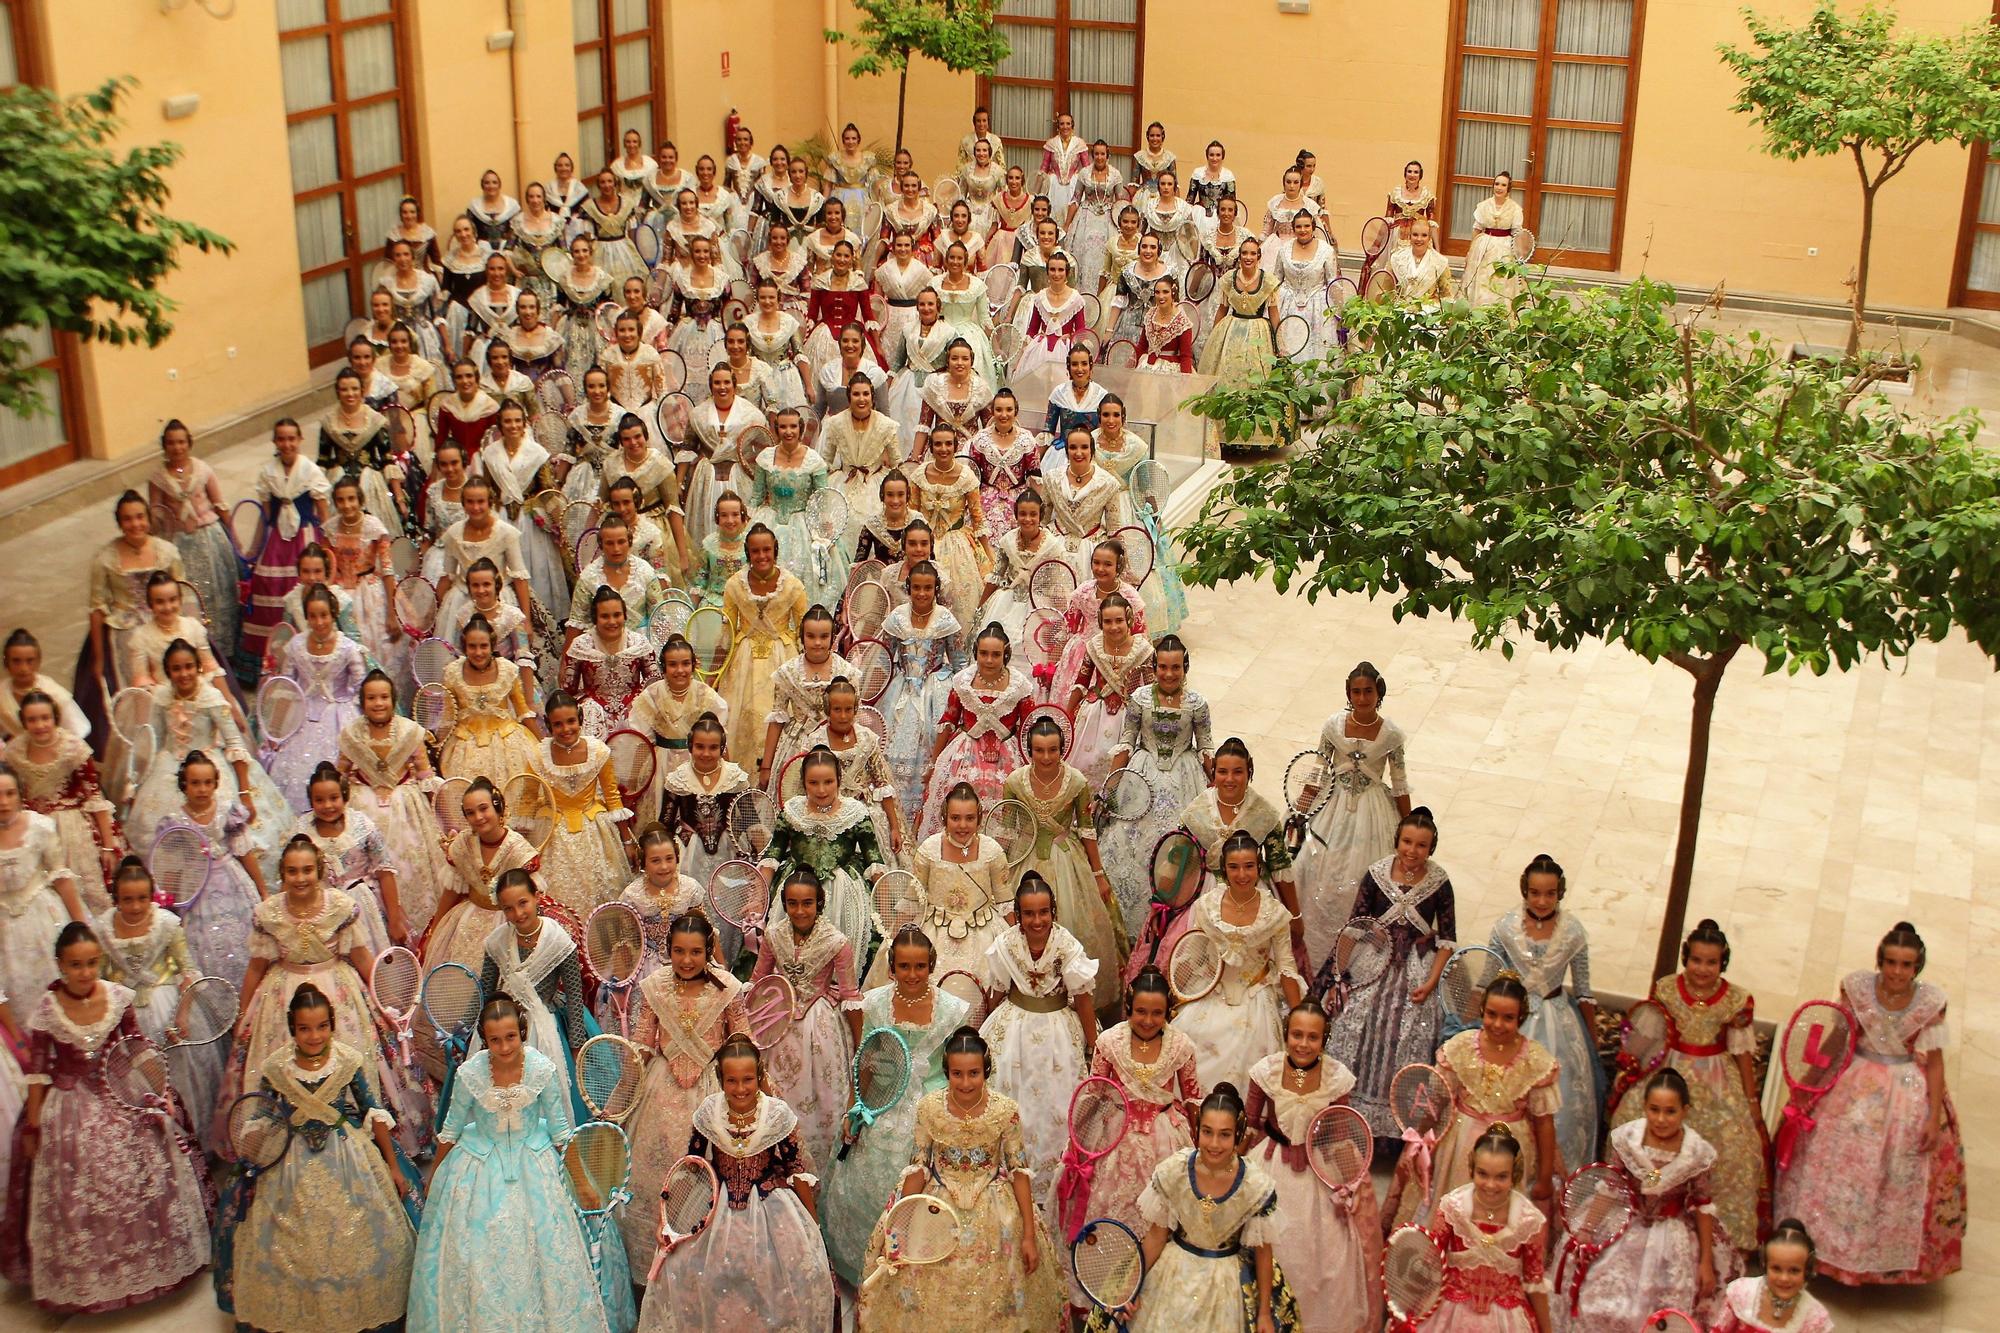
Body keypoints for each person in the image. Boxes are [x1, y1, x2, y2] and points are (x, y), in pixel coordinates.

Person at [1, 922, 210, 1313]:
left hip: (119, 1094)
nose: (84, 972)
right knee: (83, 1181)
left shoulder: (117, 997)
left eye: (92, 963)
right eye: (76, 965)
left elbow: (136, 1049)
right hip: (70, 1107)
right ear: (60, 965)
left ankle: (152, 1262)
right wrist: (33, 1125)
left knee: (141, 1169)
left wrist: (162, 1092)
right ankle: (94, 1276)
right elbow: (39, 1072)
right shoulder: (47, 1012)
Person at [214, 983, 418, 1333]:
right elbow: (263, 1114)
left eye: (322, 1026)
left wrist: (393, 1166)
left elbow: (373, 1110)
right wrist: (251, 1155)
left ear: (332, 1024)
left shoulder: (348, 1061)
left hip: (346, 1152)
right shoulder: (276, 1067)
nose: (314, 1035)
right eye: (305, 1028)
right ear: (293, 1027)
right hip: (288, 1158)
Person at [1773, 920, 1963, 1285]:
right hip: (1852, 1082)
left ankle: (1878, 1262)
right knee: (1832, 1166)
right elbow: (1835, 1040)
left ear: (1917, 966)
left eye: (1906, 965)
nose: (1897, 972)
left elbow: (1936, 1062)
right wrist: (1810, 1086)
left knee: (1889, 1174)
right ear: (1880, 960)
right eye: (1891, 962)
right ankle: (1821, 1252)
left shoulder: (1930, 1004)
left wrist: (1933, 1114)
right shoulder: (1857, 989)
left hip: (1904, 1089)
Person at [408, 997, 614, 1333]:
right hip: (480, 1168)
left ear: (523, 1034)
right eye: (495, 1040)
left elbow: (561, 1131)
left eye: (511, 1037)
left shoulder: (540, 1069)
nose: (504, 1047)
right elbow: (451, 1129)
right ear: (484, 1041)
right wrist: (434, 1175)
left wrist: (581, 1182)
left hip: (535, 1162)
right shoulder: (470, 1074)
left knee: (545, 1250)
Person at [856, 1024, 1064, 1331]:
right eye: (957, 1074)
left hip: (996, 1214)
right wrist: (898, 1229)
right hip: (935, 1209)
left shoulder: (1006, 1111)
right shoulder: (929, 1108)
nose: (965, 1082)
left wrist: (1029, 1236)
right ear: (947, 1072)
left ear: (986, 1071)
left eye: (974, 1073)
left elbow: (1019, 1173)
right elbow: (918, 1169)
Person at [642, 1035, 833, 1331]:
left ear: (759, 1076)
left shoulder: (777, 1114)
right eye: (732, 1081)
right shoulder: (709, 1111)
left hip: (772, 1209)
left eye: (748, 1080)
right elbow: (691, 1166)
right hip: (716, 1208)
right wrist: (664, 1221)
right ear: (720, 1079)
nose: (740, 1088)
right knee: (705, 1272)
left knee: (775, 1277)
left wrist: (813, 1226)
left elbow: (797, 1170)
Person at [820, 925, 972, 1286]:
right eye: (904, 967)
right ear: (892, 968)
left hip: (931, 1112)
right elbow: (867, 1061)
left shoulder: (952, 1010)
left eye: (920, 967)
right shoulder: (875, 1004)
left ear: (932, 966)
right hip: (881, 1105)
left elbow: (958, 1070)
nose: (912, 975)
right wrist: (854, 1107)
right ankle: (867, 1260)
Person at [1086, 1083, 1302, 1333]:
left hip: (1225, 1284)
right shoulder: (1175, 1171)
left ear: (1237, 1136)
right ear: (1197, 1130)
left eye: (1224, 1134)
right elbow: (1156, 1237)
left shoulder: (1254, 1184)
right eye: (1208, 1132)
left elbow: (1263, 1253)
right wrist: (1130, 1286)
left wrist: (1264, 1312)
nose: (1214, 1143)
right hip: (1172, 1276)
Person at [1609, 919, 1765, 1259]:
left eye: (1711, 962)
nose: (1702, 969)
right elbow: (1649, 1032)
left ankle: (1717, 1238)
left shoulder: (1735, 1000)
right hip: (1670, 1072)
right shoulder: (1666, 989)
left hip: (1716, 1079)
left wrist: (1751, 1101)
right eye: (1696, 960)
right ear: (1685, 958)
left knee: (1734, 1147)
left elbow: (1741, 1052)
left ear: (1722, 962)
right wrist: (1630, 1067)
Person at [620, 910, 747, 1278]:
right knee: (656, 1169)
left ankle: (701, 1262)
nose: (687, 960)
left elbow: (742, 1040)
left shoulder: (728, 988)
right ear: (668, 950)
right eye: (679, 951)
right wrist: (629, 1083)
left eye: (695, 952)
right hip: (661, 1091)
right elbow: (643, 1040)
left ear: (708, 949)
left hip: (712, 1094)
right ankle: (655, 1257)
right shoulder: (655, 986)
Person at [1244, 1001, 1382, 1333]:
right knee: (1270, 1241)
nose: (1303, 1044)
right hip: (1271, 1164)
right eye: (1296, 1035)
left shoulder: (1336, 1079)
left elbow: (1340, 1132)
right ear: (1286, 1034)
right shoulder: (1267, 1071)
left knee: (1323, 1253)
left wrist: (1349, 1185)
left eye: (1312, 1037)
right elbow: (1250, 1124)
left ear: (1324, 1039)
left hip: (1319, 1168)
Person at [1565, 1069, 1733, 1330]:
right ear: (1644, 1106)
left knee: (1664, 1306)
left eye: (1670, 1111)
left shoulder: (1697, 1152)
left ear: (1685, 1110)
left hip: (1672, 1233)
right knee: (1601, 1295)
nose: (1661, 1119)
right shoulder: (1628, 1139)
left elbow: (1702, 1204)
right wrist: (1587, 1230)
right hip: (1626, 1223)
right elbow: (1611, 1188)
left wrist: (1706, 1263)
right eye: (1654, 1110)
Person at [1322, 807, 1454, 1138]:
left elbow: (1448, 941)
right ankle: (1347, 1118)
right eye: (1407, 842)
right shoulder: (1376, 874)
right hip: (1373, 963)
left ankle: (1394, 1129)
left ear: (1431, 848)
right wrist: (1339, 976)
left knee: (1405, 1034)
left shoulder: (1439, 883)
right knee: (1359, 1023)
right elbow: (1354, 927)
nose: (1412, 851)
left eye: (1421, 845)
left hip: (1415, 969)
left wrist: (1432, 981)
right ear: (1397, 841)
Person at [1392, 975, 1559, 1229]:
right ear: (1482, 1010)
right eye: (1491, 1014)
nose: (1498, 1024)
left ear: (1521, 1018)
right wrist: (1419, 1141)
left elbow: (1545, 1123)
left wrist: (1545, 1177)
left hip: (1511, 1148)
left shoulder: (1536, 1060)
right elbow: (1437, 1102)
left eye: (1508, 1018)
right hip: (1460, 1143)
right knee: (1455, 1207)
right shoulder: (1461, 1047)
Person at [978, 871, 1098, 1218]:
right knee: (1015, 1103)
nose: (1036, 921)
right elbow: (997, 990)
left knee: (1056, 1106)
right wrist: (986, 1028)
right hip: (1014, 1028)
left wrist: (1093, 1046)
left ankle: (1053, 1182)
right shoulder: (1005, 944)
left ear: (1053, 912)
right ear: (1018, 914)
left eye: (1043, 913)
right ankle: (1010, 1179)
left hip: (1059, 1032)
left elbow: (1084, 998)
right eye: (1028, 914)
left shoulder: (1068, 946)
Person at [126, 639, 289, 878]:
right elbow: (155, 740)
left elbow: (234, 742)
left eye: (189, 667)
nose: (184, 674)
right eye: (177, 669)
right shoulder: (161, 697)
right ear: (168, 671)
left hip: (208, 769)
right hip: (168, 768)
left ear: (198, 667)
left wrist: (244, 793)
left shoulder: (211, 698)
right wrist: (137, 784)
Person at [1293, 661, 1413, 972]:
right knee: (1313, 864)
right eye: (1356, 692)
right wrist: (1300, 811)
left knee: (1363, 875)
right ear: (1348, 693)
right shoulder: (1333, 725)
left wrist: (1408, 828)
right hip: (1331, 805)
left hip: (1372, 812)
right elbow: (1318, 770)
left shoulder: (1392, 735)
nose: (1362, 698)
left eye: (1368, 692)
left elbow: (1399, 783)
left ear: (1379, 693)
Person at [1487, 854, 1600, 1182]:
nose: (1541, 900)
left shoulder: (1574, 932)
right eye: (1535, 893)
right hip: (1512, 1020)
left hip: (1557, 1022)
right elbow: (1488, 979)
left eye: (1549, 894)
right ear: (1525, 891)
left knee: (1560, 1102)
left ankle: (1555, 1179)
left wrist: (1591, 1043)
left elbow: (1584, 991)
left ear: (1559, 893)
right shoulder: (1506, 927)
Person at [1003, 715, 1124, 1018]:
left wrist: (1098, 874)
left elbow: (1086, 830)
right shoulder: (1015, 781)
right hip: (1025, 856)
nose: (1046, 757)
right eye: (1040, 750)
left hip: (1067, 861)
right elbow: (1006, 828)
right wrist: (1001, 875)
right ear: (1029, 751)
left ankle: (1073, 1000)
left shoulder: (1077, 782)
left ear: (1063, 750)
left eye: (1053, 750)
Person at [1176, 831, 1304, 1097]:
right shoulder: (1206, 907)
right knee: (1186, 1042)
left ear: (1259, 868)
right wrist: (1172, 999)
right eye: (1234, 867)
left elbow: (1286, 968)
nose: (1242, 875)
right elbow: (1191, 955)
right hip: (1210, 994)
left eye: (1249, 867)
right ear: (1224, 869)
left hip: (1255, 999)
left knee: (1253, 1057)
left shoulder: (1275, 914)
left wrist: (1299, 1016)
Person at [1099, 634, 1211, 940]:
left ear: (1185, 668)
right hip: (1142, 778)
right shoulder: (1139, 700)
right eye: (1163, 667)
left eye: (1176, 667)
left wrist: (1217, 789)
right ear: (1155, 667)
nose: (1169, 674)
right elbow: (1126, 741)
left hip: (1185, 780)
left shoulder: (1197, 704)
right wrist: (1109, 790)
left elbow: (1205, 747)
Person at [749, 867, 861, 1166]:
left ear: (819, 903)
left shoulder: (837, 942)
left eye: (807, 903)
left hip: (820, 1028)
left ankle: (818, 1167)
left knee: (822, 1096)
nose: (800, 911)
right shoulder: (774, 936)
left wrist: (859, 1050)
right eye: (793, 903)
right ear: (784, 904)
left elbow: (850, 995)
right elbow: (758, 979)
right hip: (779, 1027)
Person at [477, 868, 599, 1120]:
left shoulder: (557, 939)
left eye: (523, 903)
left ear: (536, 896)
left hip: (547, 1024)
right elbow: (486, 990)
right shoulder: (497, 941)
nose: (518, 914)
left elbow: (575, 994)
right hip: (506, 1027)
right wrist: (479, 1033)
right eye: (508, 909)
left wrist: (576, 1045)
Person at [339, 669, 452, 935]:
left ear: (393, 700)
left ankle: (418, 929)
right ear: (362, 702)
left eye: (383, 697)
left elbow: (425, 775)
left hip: (406, 808)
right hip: (363, 806)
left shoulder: (410, 731)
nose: (378, 704)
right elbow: (340, 773)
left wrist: (446, 821)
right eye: (371, 698)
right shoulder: (352, 734)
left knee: (413, 868)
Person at [1414, 1127, 1552, 1333]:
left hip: (1507, 1319)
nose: (1490, 1185)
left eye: (1501, 1177)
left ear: (1514, 1175)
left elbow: (1534, 1282)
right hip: (1449, 1313)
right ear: (1471, 1169)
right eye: (1482, 1174)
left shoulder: (1529, 1220)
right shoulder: (1452, 1208)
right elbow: (1430, 1264)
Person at [147, 750, 266, 986]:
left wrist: (262, 890)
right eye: (195, 783)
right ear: (184, 785)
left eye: (207, 783)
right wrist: (169, 905)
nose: (202, 789)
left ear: (215, 784)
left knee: (242, 936)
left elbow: (245, 852)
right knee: (204, 943)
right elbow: (170, 868)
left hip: (232, 882)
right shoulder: (174, 822)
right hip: (195, 889)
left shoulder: (226, 812)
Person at [764, 747, 887, 976]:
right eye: (813, 783)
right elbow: (773, 853)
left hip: (845, 892)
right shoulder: (791, 811)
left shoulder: (856, 813)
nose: (821, 790)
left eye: (829, 782)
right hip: (795, 888)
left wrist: (886, 905)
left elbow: (874, 859)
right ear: (804, 782)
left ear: (840, 780)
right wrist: (759, 895)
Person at [6, 691, 119, 916]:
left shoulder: (73, 747)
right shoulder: (14, 752)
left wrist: (108, 845)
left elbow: (94, 796)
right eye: (32, 719)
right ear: (23, 721)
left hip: (73, 830)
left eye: (45, 718)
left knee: (83, 892)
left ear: (55, 717)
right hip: (32, 831)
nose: (40, 725)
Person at [266, 587, 373, 812]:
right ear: (306, 616)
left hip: (338, 714)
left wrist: (349, 711)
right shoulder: (296, 645)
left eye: (323, 615)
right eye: (313, 616)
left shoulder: (347, 648)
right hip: (301, 714)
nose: (319, 621)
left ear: (333, 614)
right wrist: (277, 727)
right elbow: (286, 685)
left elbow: (359, 686)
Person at [147, 419, 241, 671]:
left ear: (189, 443)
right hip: (178, 543)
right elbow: (154, 510)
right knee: (189, 596)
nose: (176, 447)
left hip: (208, 538)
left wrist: (235, 540)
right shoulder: (157, 477)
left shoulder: (202, 469)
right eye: (171, 443)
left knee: (217, 594)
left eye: (181, 442)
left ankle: (223, 653)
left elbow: (220, 504)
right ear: (164, 446)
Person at [921, 628, 1033, 837]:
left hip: (1007, 757)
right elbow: (948, 721)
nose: (989, 660)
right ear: (975, 652)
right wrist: (933, 764)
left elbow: (1029, 728)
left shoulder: (1020, 685)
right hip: (965, 754)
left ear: (1005, 654)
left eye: (996, 655)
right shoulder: (963, 682)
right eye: (983, 653)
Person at [425, 778, 539, 975]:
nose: (478, 817)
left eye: (483, 809)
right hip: (466, 922)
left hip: (508, 924)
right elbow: (452, 891)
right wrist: (434, 932)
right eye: (470, 813)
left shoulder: (519, 850)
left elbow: (532, 903)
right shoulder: (462, 844)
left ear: (498, 807)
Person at [879, 560, 965, 822]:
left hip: (935, 692)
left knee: (930, 753)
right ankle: (895, 817)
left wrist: (961, 698)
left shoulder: (946, 620)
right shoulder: (896, 618)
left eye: (928, 588)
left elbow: (959, 661)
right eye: (916, 588)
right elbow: (884, 657)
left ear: (936, 589)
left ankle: (924, 816)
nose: (922, 593)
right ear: (908, 588)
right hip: (900, 691)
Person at [750, 407, 849, 610]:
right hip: (771, 520)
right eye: (783, 426)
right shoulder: (766, 458)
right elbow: (757, 496)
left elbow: (822, 501)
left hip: (804, 524)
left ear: (801, 429)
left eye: (793, 426)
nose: (788, 431)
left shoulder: (814, 461)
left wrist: (823, 532)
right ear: (776, 429)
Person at [436, 615, 542, 791]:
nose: (478, 653)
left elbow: (523, 712)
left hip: (507, 744)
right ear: (464, 647)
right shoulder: (452, 673)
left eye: (483, 646)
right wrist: (437, 748)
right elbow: (448, 719)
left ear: (492, 646)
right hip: (465, 748)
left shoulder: (507, 670)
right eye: (472, 646)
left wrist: (542, 745)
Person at [759, 605, 852, 794]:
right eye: (811, 636)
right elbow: (777, 721)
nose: (817, 643)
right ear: (802, 637)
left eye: (824, 637)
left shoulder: (847, 672)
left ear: (832, 638)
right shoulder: (787, 672)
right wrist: (766, 767)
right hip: (795, 747)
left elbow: (852, 719)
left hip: (835, 744)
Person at [1065, 591, 1154, 788]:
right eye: (1107, 622)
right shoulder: (1094, 646)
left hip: (1128, 720)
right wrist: (1066, 714)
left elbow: (1150, 690)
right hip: (1093, 718)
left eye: (1119, 621)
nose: (1114, 627)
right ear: (1100, 622)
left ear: (1129, 620)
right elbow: (1081, 682)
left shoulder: (1144, 650)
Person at [558, 585, 660, 743]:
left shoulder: (639, 643)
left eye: (617, 615)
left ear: (625, 616)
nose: (612, 621)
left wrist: (635, 702)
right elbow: (569, 689)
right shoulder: (581, 645)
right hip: (594, 714)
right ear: (595, 618)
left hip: (634, 712)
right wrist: (590, 706)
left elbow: (654, 684)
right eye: (605, 616)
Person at [1713, 1221, 1835, 1332]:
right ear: (1765, 1265)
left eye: (1794, 1270)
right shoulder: (1741, 1293)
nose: (1784, 1278)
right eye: (1776, 1268)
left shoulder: (1814, 1318)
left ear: (1807, 1271)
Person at [976, 490, 1058, 647]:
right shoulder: (1007, 541)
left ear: (1040, 515)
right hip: (1006, 602)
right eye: (1023, 514)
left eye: (1033, 514)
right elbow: (996, 576)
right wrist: (980, 608)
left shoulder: (1053, 546)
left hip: (1038, 605)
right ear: (1016, 515)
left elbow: (1057, 584)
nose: (1027, 519)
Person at [1043, 429, 1128, 574]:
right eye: (1073, 447)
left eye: (1084, 447)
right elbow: (1042, 520)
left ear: (1092, 451)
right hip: (1054, 548)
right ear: (1066, 450)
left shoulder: (1108, 483)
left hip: (1091, 551)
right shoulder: (1051, 478)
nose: (1078, 453)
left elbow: (1114, 528)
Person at [1, 630, 90, 744]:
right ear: (6, 662)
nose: (23, 668)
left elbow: (76, 730)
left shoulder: (53, 692)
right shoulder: (2, 692)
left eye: (30, 661)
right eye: (16, 661)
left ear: (38, 661)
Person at [1463, 173, 1525, 308]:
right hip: (1484, 246)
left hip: (1505, 247)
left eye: (1503, 185)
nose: (1499, 188)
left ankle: (1500, 311)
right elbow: (1477, 228)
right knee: (1483, 278)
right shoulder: (1483, 205)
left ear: (1508, 188)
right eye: (1497, 184)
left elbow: (1517, 233)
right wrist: (1470, 251)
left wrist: (1519, 258)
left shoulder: (1515, 208)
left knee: (1501, 280)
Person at [1383, 160, 1438, 267]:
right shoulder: (1396, 193)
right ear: (1405, 173)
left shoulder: (1427, 195)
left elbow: (1432, 224)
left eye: (1416, 172)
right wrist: (1377, 243)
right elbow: (1387, 219)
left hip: (1418, 235)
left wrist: (1437, 249)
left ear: (1420, 175)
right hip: (1397, 235)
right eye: (1409, 171)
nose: (1412, 175)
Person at [1391, 220, 1455, 305]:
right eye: (1415, 235)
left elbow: (1447, 295)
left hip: (1429, 313)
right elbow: (1387, 290)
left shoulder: (1440, 262)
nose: (1419, 239)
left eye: (1424, 235)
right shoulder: (1397, 258)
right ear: (1410, 236)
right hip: (1399, 311)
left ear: (1429, 238)